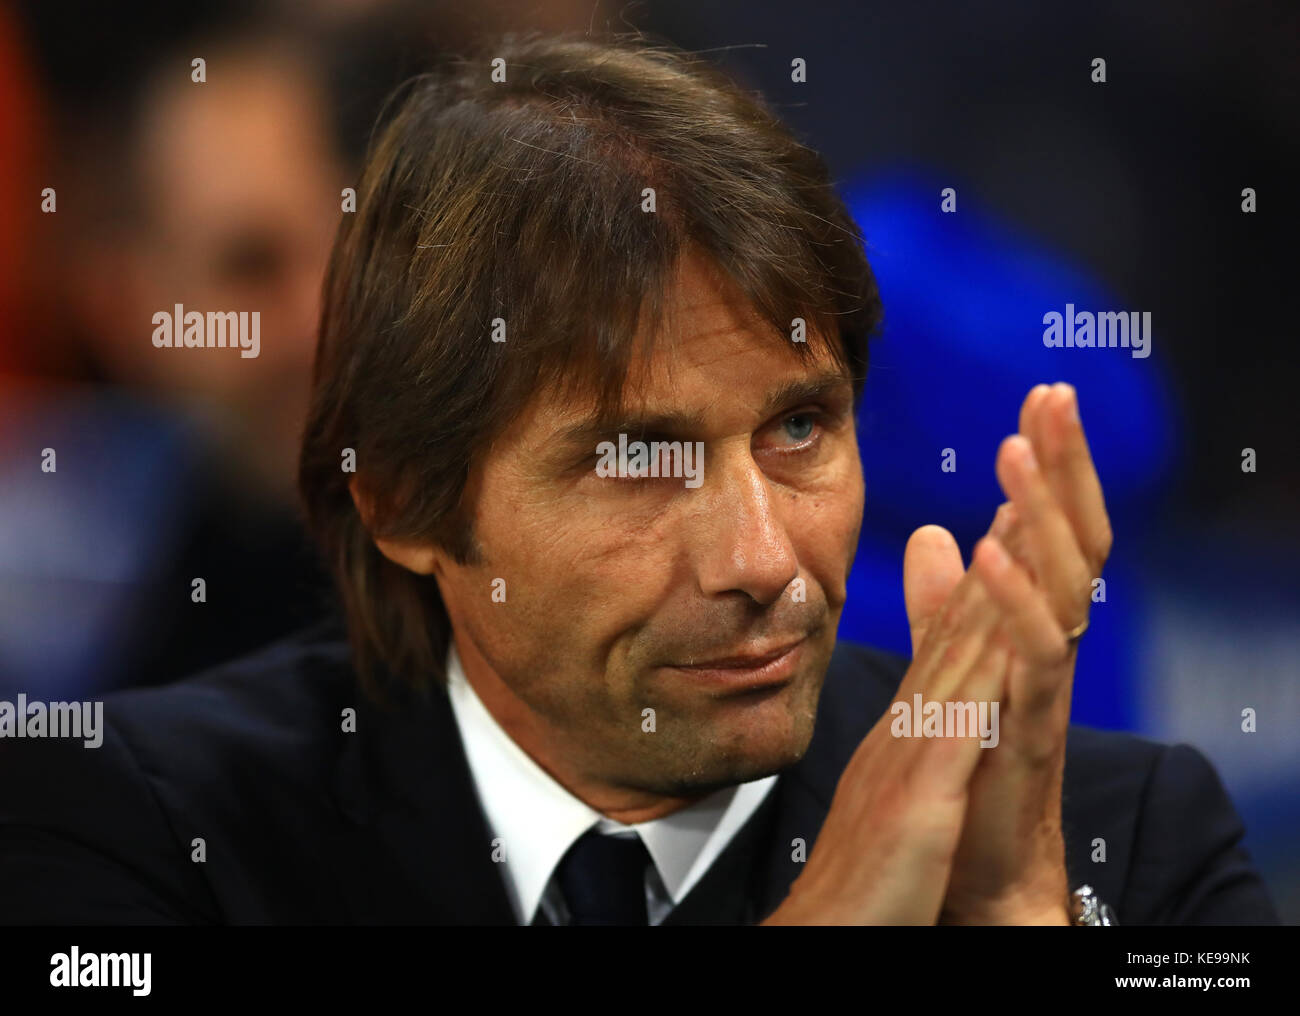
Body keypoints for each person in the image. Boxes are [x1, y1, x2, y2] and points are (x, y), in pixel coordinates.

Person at [0, 33, 1277, 925]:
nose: (764, 559)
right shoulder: (145, 832)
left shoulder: (1124, 832)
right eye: (637, 458)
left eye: (798, 428)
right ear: (401, 498)